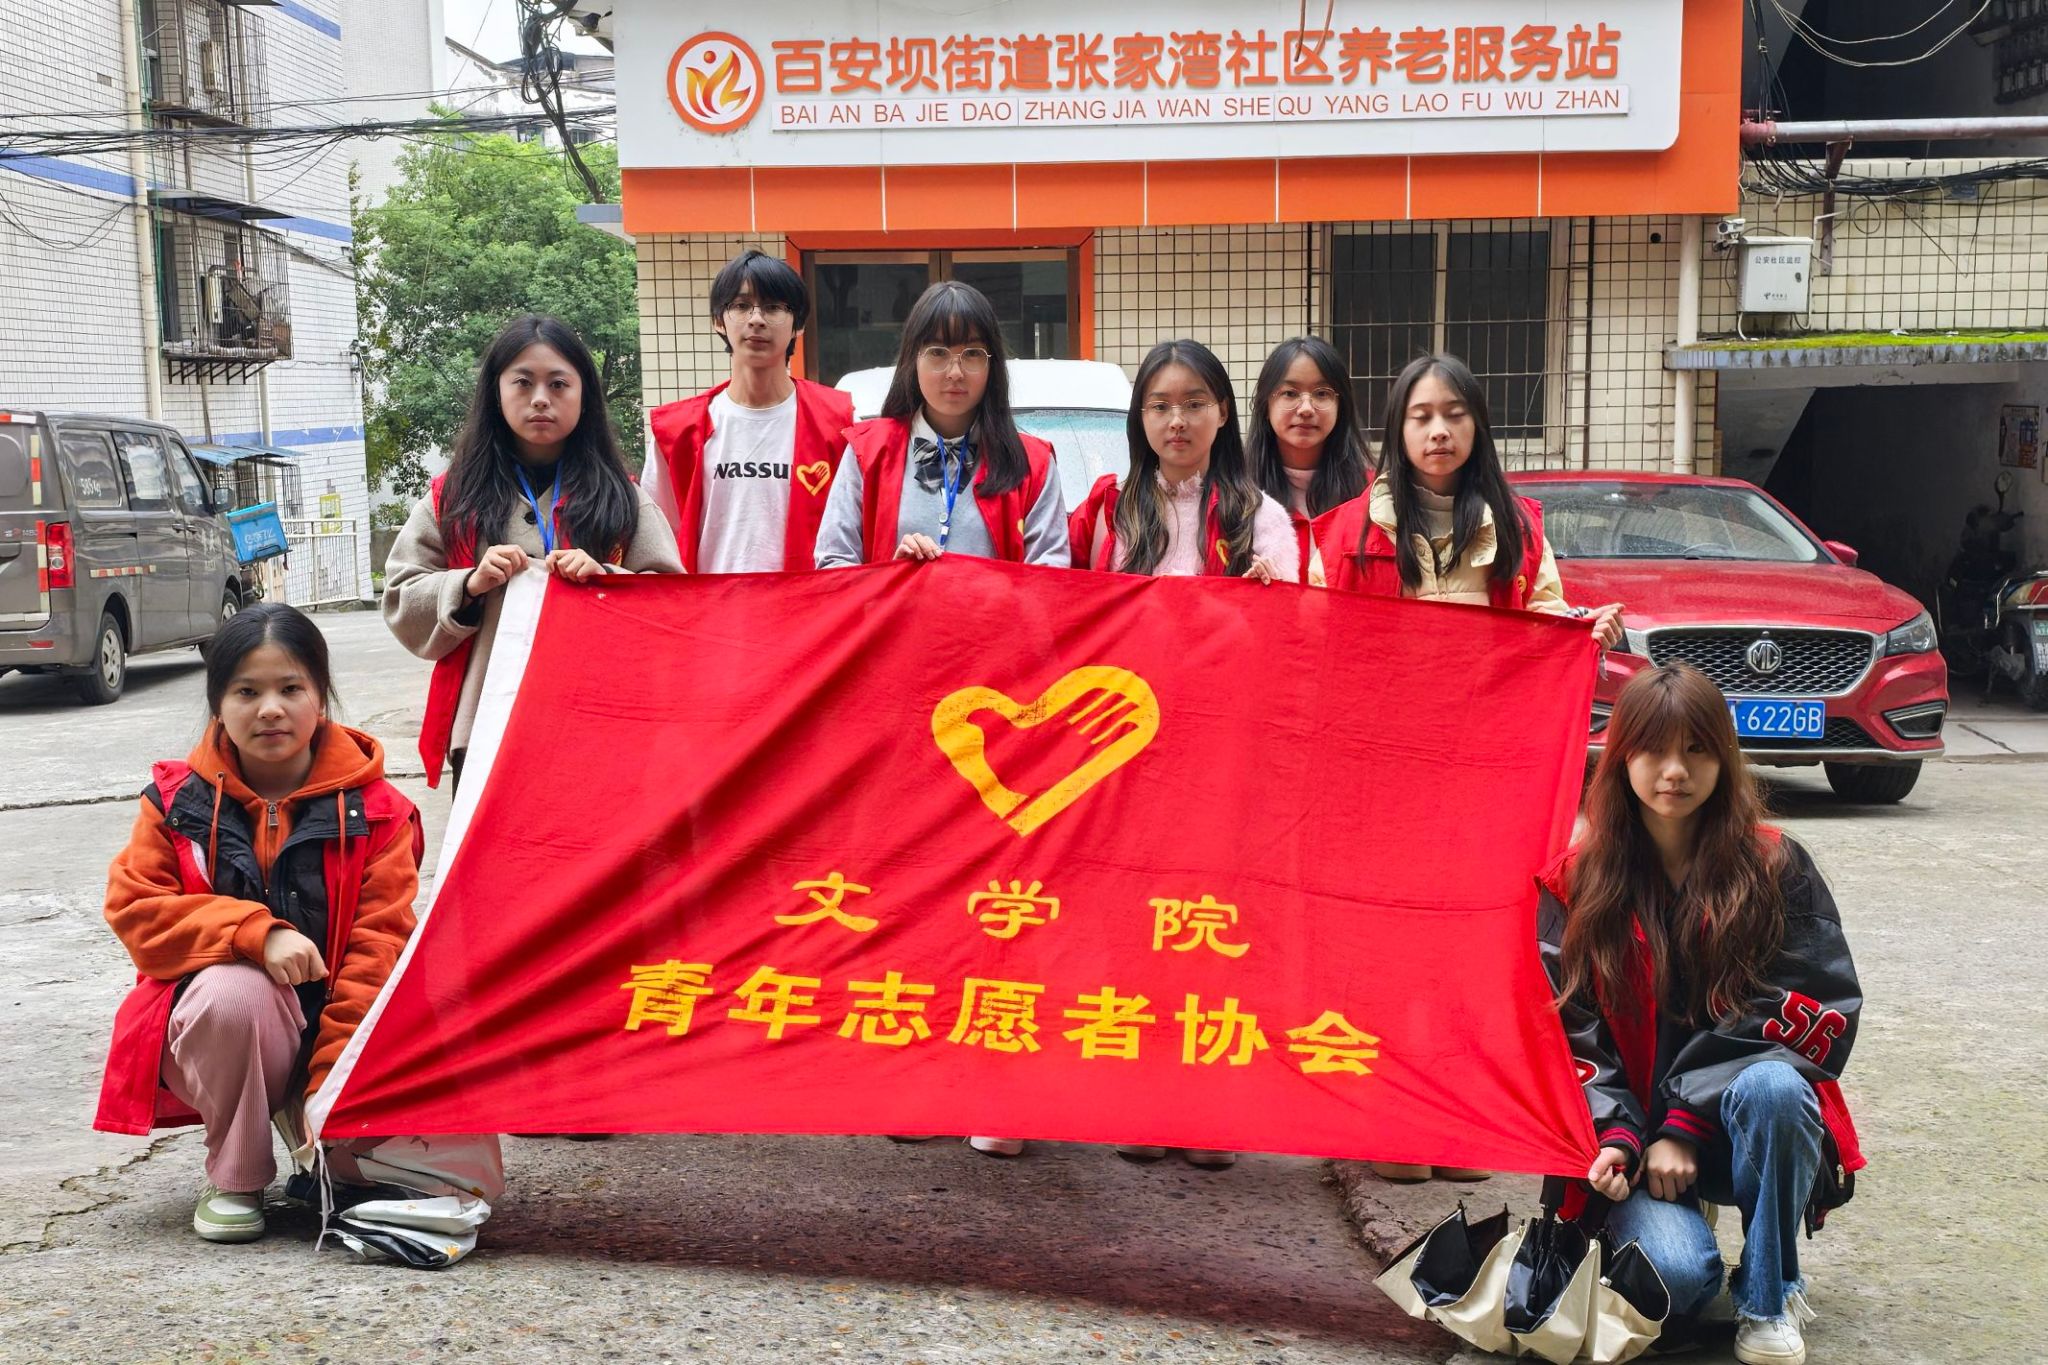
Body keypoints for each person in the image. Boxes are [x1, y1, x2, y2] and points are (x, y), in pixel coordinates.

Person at [91, 605, 459, 1244]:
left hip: (336, 1028)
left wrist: (332, 1084)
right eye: (246, 692)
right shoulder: (174, 803)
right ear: (218, 705)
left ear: (321, 697)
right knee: (239, 992)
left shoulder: (379, 814)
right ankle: (235, 1176)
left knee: (424, 1177)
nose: (270, 709)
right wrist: (254, 935)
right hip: (217, 1028)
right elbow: (137, 911)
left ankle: (316, 1138)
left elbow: (379, 947)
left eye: (291, 688)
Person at [1538, 664, 1863, 1365]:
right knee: (1678, 1280)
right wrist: (1616, 1135)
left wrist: (1686, 1121)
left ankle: (1770, 1297)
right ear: (1620, 756)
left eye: (1697, 749)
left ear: (1725, 756)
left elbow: (1811, 1005)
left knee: (1777, 1087)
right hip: (1636, 1138)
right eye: (1653, 749)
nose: (1675, 771)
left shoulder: (1775, 867)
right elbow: (1565, 1030)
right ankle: (1676, 1228)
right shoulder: (1576, 882)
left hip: (1744, 1122)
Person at [384, 314, 682, 790]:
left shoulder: (623, 497)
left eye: (559, 384)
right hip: (485, 724)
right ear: (496, 392)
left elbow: (672, 604)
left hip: (599, 726)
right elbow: (401, 593)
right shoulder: (452, 497)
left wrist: (607, 578)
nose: (540, 398)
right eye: (522, 382)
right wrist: (468, 585)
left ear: (584, 396)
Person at [1311, 351, 1623, 637]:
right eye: (1421, 417)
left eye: (1455, 414)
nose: (1439, 431)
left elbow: (1545, 629)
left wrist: (1582, 632)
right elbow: (1315, 635)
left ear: (1477, 426)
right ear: (1397, 431)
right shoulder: (1346, 535)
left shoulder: (1518, 528)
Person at [813, 280, 1069, 570]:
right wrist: (891, 578)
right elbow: (833, 565)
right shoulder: (866, 453)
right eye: (937, 352)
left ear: (992, 364)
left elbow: (1050, 578)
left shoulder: (1033, 464)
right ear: (913, 359)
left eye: (972, 353)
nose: (955, 372)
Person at [642, 249, 855, 573]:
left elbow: (856, 536)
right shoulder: (677, 432)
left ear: (798, 325)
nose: (756, 319)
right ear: (718, 320)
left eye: (773, 307)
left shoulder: (839, 422)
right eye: (741, 306)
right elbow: (654, 542)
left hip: (809, 603)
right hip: (709, 604)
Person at [1068, 338, 1299, 586]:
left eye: (1194, 405)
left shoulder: (1261, 517)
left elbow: (1284, 607)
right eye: (1160, 406)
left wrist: (1270, 589)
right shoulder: (1111, 509)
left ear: (1223, 412)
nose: (1177, 421)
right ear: (1141, 417)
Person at [1244, 336, 1371, 582]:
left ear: (1341, 405)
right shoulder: (1236, 496)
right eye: (1290, 393)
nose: (1305, 408)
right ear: (1265, 403)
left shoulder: (1373, 496)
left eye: (1321, 393)